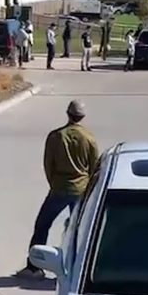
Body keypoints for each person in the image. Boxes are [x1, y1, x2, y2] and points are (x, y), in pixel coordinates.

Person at [19, 100, 99, 278]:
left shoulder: (56, 136)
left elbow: (48, 164)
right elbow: (94, 167)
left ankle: (34, 267)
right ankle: (76, 270)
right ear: (82, 116)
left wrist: (53, 183)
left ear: (68, 114)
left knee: (42, 225)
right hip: (81, 188)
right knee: (77, 231)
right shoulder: (88, 138)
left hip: (59, 188)